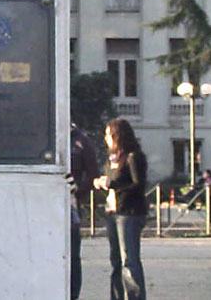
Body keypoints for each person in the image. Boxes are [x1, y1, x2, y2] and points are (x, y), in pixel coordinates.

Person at [93, 118, 148, 300]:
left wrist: (113, 184)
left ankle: (134, 296)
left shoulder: (133, 156)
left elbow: (138, 184)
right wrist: (102, 182)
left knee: (129, 259)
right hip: (112, 211)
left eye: (108, 134)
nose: (105, 138)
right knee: (115, 259)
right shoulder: (112, 159)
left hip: (129, 212)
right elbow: (112, 180)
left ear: (118, 136)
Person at [69, 123, 100, 300]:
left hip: (71, 205)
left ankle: (73, 294)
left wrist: (78, 192)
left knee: (73, 254)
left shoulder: (81, 141)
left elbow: (92, 174)